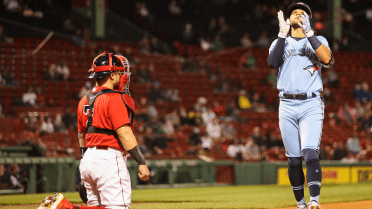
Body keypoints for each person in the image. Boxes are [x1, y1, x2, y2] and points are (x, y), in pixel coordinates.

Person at [38, 52, 150, 209]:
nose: (121, 76)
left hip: (88, 158)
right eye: (119, 72)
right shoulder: (115, 98)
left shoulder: (84, 99)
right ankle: (64, 208)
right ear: (111, 75)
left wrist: (89, 164)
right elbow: (125, 134)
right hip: (109, 159)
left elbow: (81, 136)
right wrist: (141, 162)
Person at [267, 3, 335, 209]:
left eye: (302, 12)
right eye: (294, 12)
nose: (298, 14)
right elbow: (272, 62)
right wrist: (281, 34)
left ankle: (314, 201)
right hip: (286, 103)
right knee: (294, 160)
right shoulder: (280, 42)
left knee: (310, 153)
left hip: (311, 102)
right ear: (288, 20)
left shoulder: (319, 40)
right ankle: (301, 204)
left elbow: (328, 60)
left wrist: (310, 34)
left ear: (309, 19)